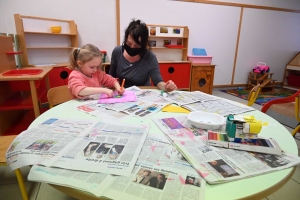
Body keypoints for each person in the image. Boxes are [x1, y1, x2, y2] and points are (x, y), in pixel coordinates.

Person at [109, 19, 177, 92]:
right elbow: (110, 77)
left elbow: (158, 81)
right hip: (122, 92)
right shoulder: (117, 52)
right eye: (128, 43)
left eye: (137, 45)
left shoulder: (150, 57)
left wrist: (166, 86)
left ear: (143, 45)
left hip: (142, 94)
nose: (132, 47)